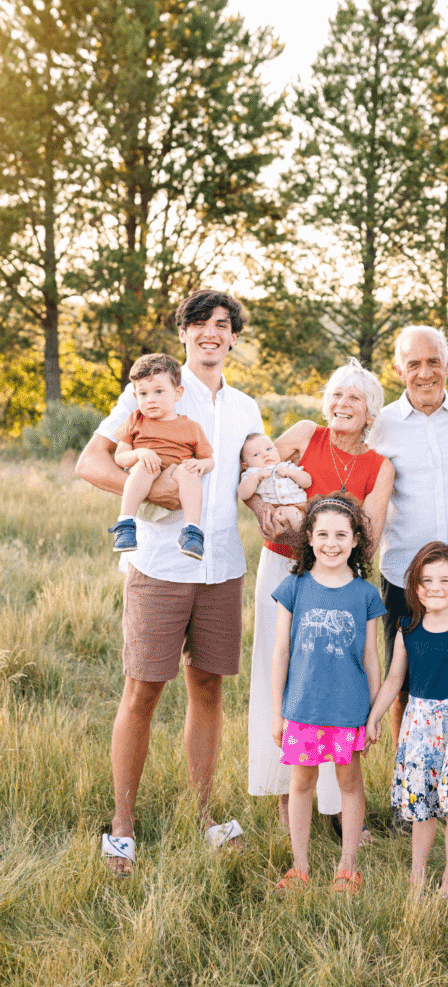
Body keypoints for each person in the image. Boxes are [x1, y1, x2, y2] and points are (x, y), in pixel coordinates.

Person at [75, 289, 263, 876]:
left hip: (222, 569)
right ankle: (123, 829)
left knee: (208, 689)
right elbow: (91, 463)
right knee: (143, 692)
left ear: (233, 337)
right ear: (184, 332)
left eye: (223, 325)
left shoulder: (245, 408)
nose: (212, 332)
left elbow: (246, 478)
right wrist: (157, 491)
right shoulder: (150, 390)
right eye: (201, 323)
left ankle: (203, 816)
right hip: (158, 567)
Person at [246, 357, 395, 843]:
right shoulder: (305, 434)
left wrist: (311, 530)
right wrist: (264, 508)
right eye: (336, 395)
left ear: (371, 412)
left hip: (338, 583)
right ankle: (291, 795)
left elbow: (368, 535)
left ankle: (337, 804)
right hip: (283, 571)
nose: (342, 405)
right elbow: (252, 469)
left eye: (354, 398)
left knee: (336, 679)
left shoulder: (379, 466)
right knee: (284, 672)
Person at [367, 325, 448, 841]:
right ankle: (410, 796)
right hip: (404, 580)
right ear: (398, 369)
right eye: (412, 364)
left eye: (432, 362)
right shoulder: (383, 425)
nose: (423, 372)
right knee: (407, 690)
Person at [271, 494, 385, 894]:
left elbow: (371, 656)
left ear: (355, 540)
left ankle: (347, 866)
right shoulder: (294, 587)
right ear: (309, 538)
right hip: (302, 707)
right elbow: (281, 651)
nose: (331, 543)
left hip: (348, 710)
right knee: (301, 783)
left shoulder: (365, 594)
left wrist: (374, 714)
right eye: (323, 534)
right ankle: (299, 866)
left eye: (341, 534)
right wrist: (276, 712)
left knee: (350, 784)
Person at [366, 542, 448, 897]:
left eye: (445, 580)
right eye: (426, 580)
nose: (435, 587)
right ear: (415, 587)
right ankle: (417, 875)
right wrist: (374, 717)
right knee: (420, 807)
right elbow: (393, 681)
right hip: (418, 727)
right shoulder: (407, 631)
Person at [109, 353, 214, 560]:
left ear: (177, 393)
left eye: (159, 391)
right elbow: (120, 458)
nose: (151, 400)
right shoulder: (136, 420)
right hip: (147, 474)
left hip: (177, 476)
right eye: (144, 394)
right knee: (144, 465)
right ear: (135, 397)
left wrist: (199, 464)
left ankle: (192, 531)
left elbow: (209, 460)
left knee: (188, 470)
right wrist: (140, 452)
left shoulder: (191, 427)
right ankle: (126, 524)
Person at [237, 432, 312, 532]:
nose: (265, 455)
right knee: (294, 516)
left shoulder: (287, 466)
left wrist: (289, 472)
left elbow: (307, 482)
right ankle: (305, 537)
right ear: (246, 465)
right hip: (280, 510)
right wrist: (257, 477)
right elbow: (242, 494)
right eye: (256, 454)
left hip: (304, 505)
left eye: (268, 449)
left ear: (277, 451)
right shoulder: (252, 473)